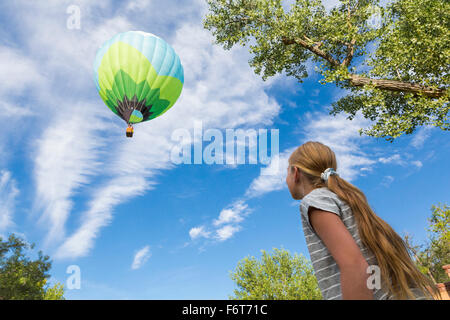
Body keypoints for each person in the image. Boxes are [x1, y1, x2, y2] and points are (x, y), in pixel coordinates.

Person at [285, 141, 439, 300]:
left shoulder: (314, 201)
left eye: (286, 172)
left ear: (295, 172)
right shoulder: (347, 198)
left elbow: (355, 267)